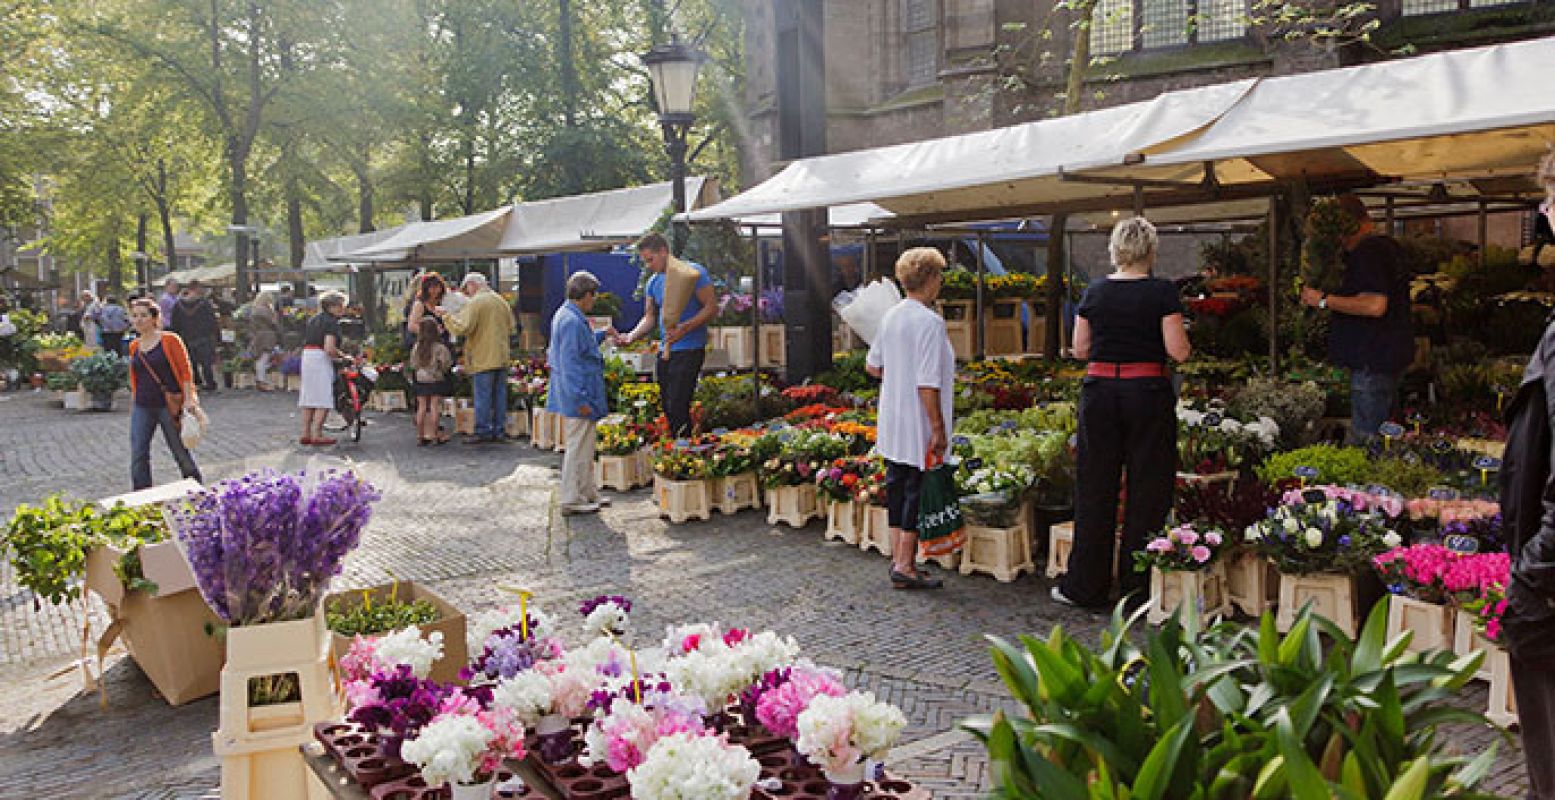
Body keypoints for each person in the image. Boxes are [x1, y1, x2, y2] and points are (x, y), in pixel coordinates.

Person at [1055, 217, 1191, 611]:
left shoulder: (1094, 292)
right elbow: (1178, 351)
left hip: (1100, 392)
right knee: (1147, 489)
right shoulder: (1162, 292)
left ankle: (1086, 585)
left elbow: (1080, 349)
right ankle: (1136, 591)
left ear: (1115, 250)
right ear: (1151, 250)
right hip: (1146, 391)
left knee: (1095, 485)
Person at [864, 247, 955, 590]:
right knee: (916, 489)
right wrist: (938, 428)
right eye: (940, 276)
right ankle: (905, 564)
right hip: (918, 419)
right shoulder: (930, 323)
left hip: (892, 415)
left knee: (898, 485)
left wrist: (897, 369)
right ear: (930, 279)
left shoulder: (892, 316)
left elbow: (872, 366)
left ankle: (898, 559)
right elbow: (928, 382)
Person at [1300, 193, 1413, 441]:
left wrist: (1322, 299)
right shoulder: (1386, 247)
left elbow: (1375, 305)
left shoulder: (1369, 252)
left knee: (1369, 439)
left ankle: (1374, 478)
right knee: (1386, 438)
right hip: (1385, 359)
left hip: (1371, 361)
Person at [619, 233, 716, 437]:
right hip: (666, 351)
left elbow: (711, 308)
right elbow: (649, 317)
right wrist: (630, 336)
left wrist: (685, 328)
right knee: (668, 405)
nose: (648, 265)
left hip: (690, 348)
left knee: (679, 403)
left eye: (650, 260)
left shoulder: (694, 273)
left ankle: (684, 448)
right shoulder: (653, 282)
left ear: (663, 252)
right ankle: (679, 447)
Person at [548, 271, 613, 515]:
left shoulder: (568, 316)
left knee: (585, 445)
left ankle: (586, 490)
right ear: (585, 295)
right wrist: (581, 398)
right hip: (580, 393)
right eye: (593, 296)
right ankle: (571, 497)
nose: (594, 301)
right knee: (578, 446)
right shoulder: (572, 321)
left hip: (580, 391)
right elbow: (570, 365)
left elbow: (577, 350)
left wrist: (600, 335)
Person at [126, 298, 202, 490]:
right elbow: (135, 376)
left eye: (143, 315)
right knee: (138, 453)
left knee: (179, 450)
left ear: (154, 318)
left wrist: (188, 399)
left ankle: (195, 488)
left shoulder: (170, 340)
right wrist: (134, 398)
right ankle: (141, 495)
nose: (139, 320)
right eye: (135, 316)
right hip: (143, 405)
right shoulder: (134, 346)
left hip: (168, 405)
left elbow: (185, 372)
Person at [443, 273, 513, 444]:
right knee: (499, 395)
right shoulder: (500, 301)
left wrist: (446, 316)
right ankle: (499, 430)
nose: (466, 292)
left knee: (483, 395)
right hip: (502, 355)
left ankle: (483, 431)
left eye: (467, 288)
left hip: (483, 356)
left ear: (473, 285)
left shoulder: (476, 302)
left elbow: (463, 327)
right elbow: (511, 326)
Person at [298, 290, 347, 446]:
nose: (342, 309)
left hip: (307, 356)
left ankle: (305, 432)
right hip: (320, 359)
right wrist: (343, 357)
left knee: (308, 396)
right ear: (332, 306)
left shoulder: (314, 320)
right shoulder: (331, 323)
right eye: (340, 306)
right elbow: (329, 348)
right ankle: (317, 433)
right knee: (323, 397)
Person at [170, 280, 220, 393]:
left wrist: (177, 336)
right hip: (203, 336)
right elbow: (212, 321)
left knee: (190, 362)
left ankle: (196, 383)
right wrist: (216, 336)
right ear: (197, 289)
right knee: (206, 362)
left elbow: (175, 323)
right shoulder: (205, 304)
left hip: (186, 336)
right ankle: (210, 383)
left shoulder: (178, 305)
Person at [410, 317, 453, 446]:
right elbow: (446, 364)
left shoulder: (417, 347)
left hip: (421, 379)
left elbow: (413, 364)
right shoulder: (440, 347)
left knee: (421, 407)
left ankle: (420, 436)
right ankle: (434, 436)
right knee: (434, 407)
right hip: (435, 378)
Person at [248, 291, 282, 390]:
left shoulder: (255, 309)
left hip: (258, 335)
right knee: (264, 358)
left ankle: (260, 380)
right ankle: (261, 381)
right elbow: (274, 323)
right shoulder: (264, 310)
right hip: (267, 336)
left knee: (260, 358)